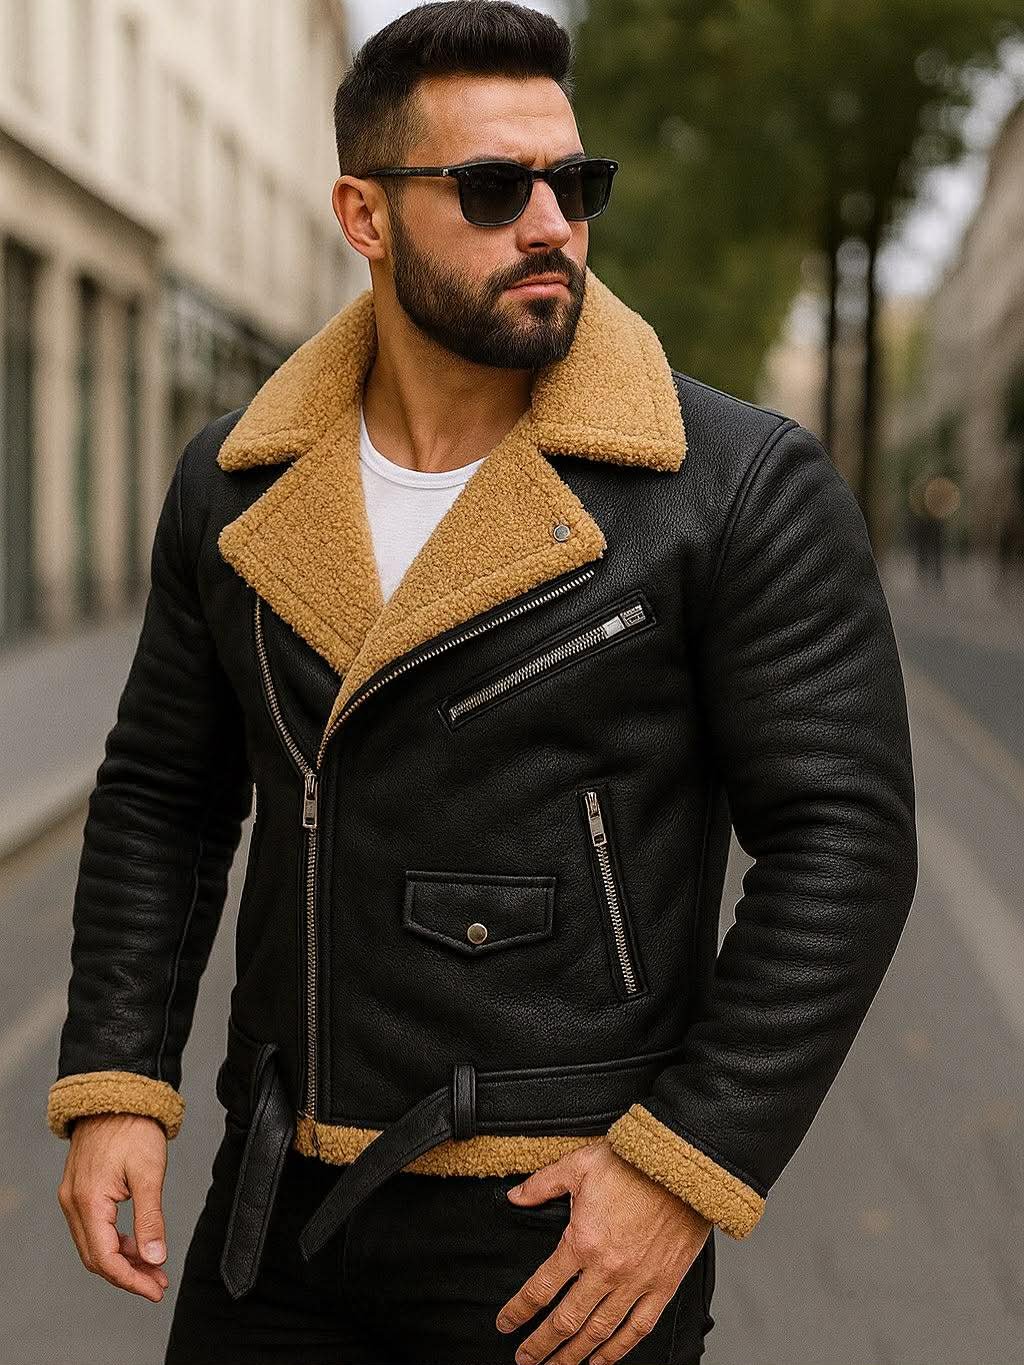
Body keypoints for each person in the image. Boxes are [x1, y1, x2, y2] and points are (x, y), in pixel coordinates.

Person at [46, 4, 918, 1363]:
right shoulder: (233, 481)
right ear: (365, 214)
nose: (552, 225)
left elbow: (845, 841)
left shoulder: (731, 484)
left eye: (575, 184)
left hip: (560, 1223)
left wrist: (688, 1159)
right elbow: (165, 792)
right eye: (496, 189)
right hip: (275, 1202)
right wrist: (118, 1075)